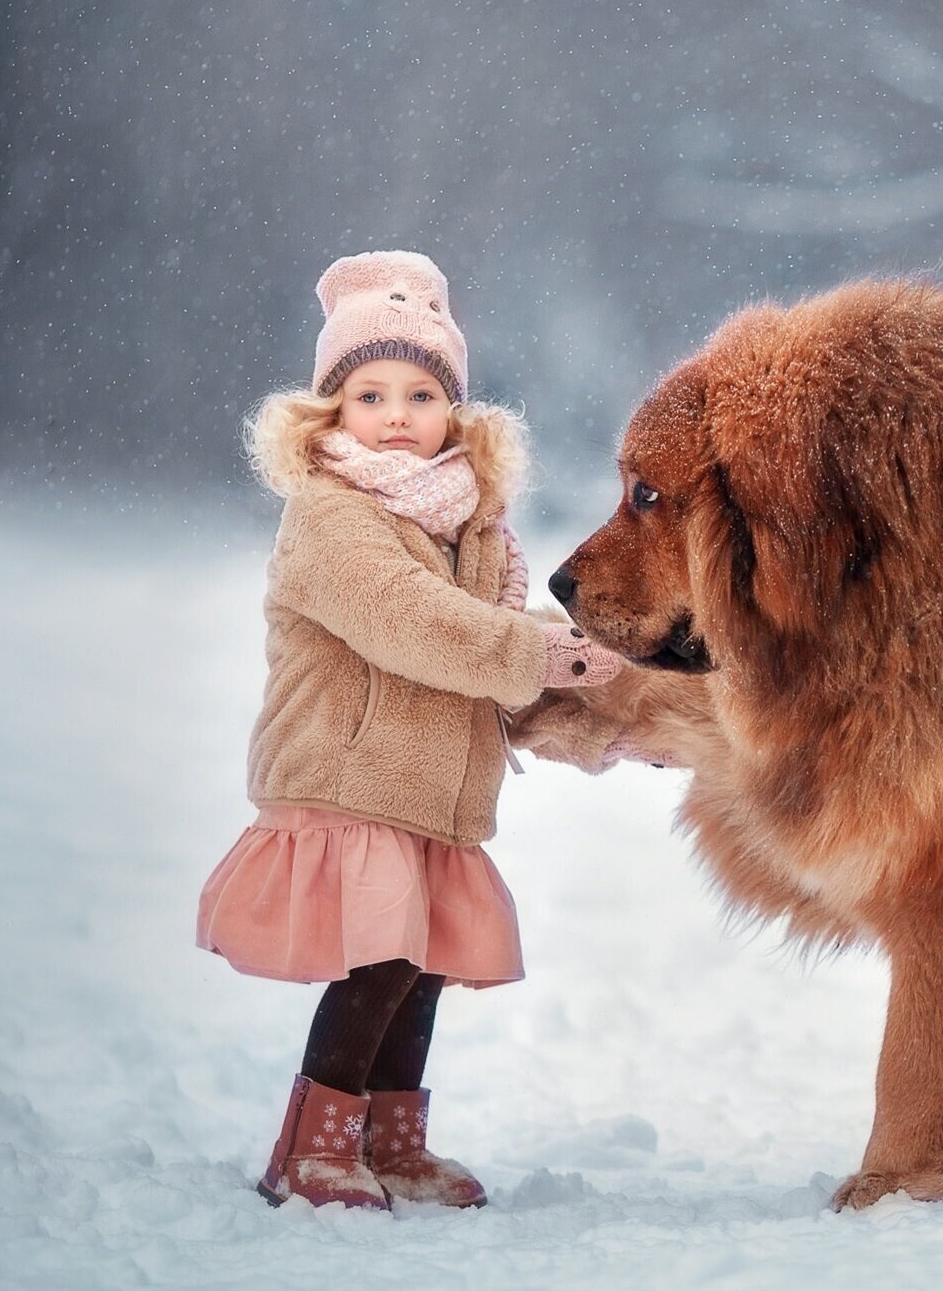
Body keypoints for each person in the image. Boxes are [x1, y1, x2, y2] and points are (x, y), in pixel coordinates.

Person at [197, 250, 621, 1210]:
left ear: (456, 414)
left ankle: (391, 1142)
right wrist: (557, 656)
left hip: (435, 787)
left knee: (419, 969)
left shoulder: (473, 531)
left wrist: (615, 702)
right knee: (378, 962)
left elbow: (498, 665)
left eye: (421, 394)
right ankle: (312, 1147)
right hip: (350, 774)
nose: (396, 416)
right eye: (369, 394)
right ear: (329, 412)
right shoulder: (331, 519)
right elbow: (417, 627)